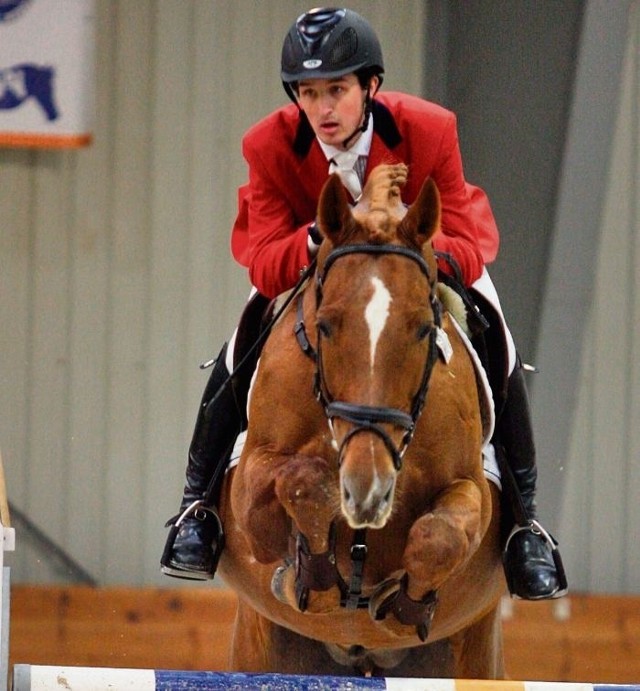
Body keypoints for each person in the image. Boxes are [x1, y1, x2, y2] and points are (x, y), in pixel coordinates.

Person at [161, 7, 567, 600]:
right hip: (318, 270)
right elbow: (262, 254)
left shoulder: (428, 129)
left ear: (369, 87)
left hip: (414, 264)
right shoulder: (270, 144)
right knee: (243, 335)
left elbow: (471, 240)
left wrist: (400, 236)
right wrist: (324, 239)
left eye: (337, 91)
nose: (323, 109)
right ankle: (197, 505)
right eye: (308, 92)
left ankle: (525, 524)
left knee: (495, 332)